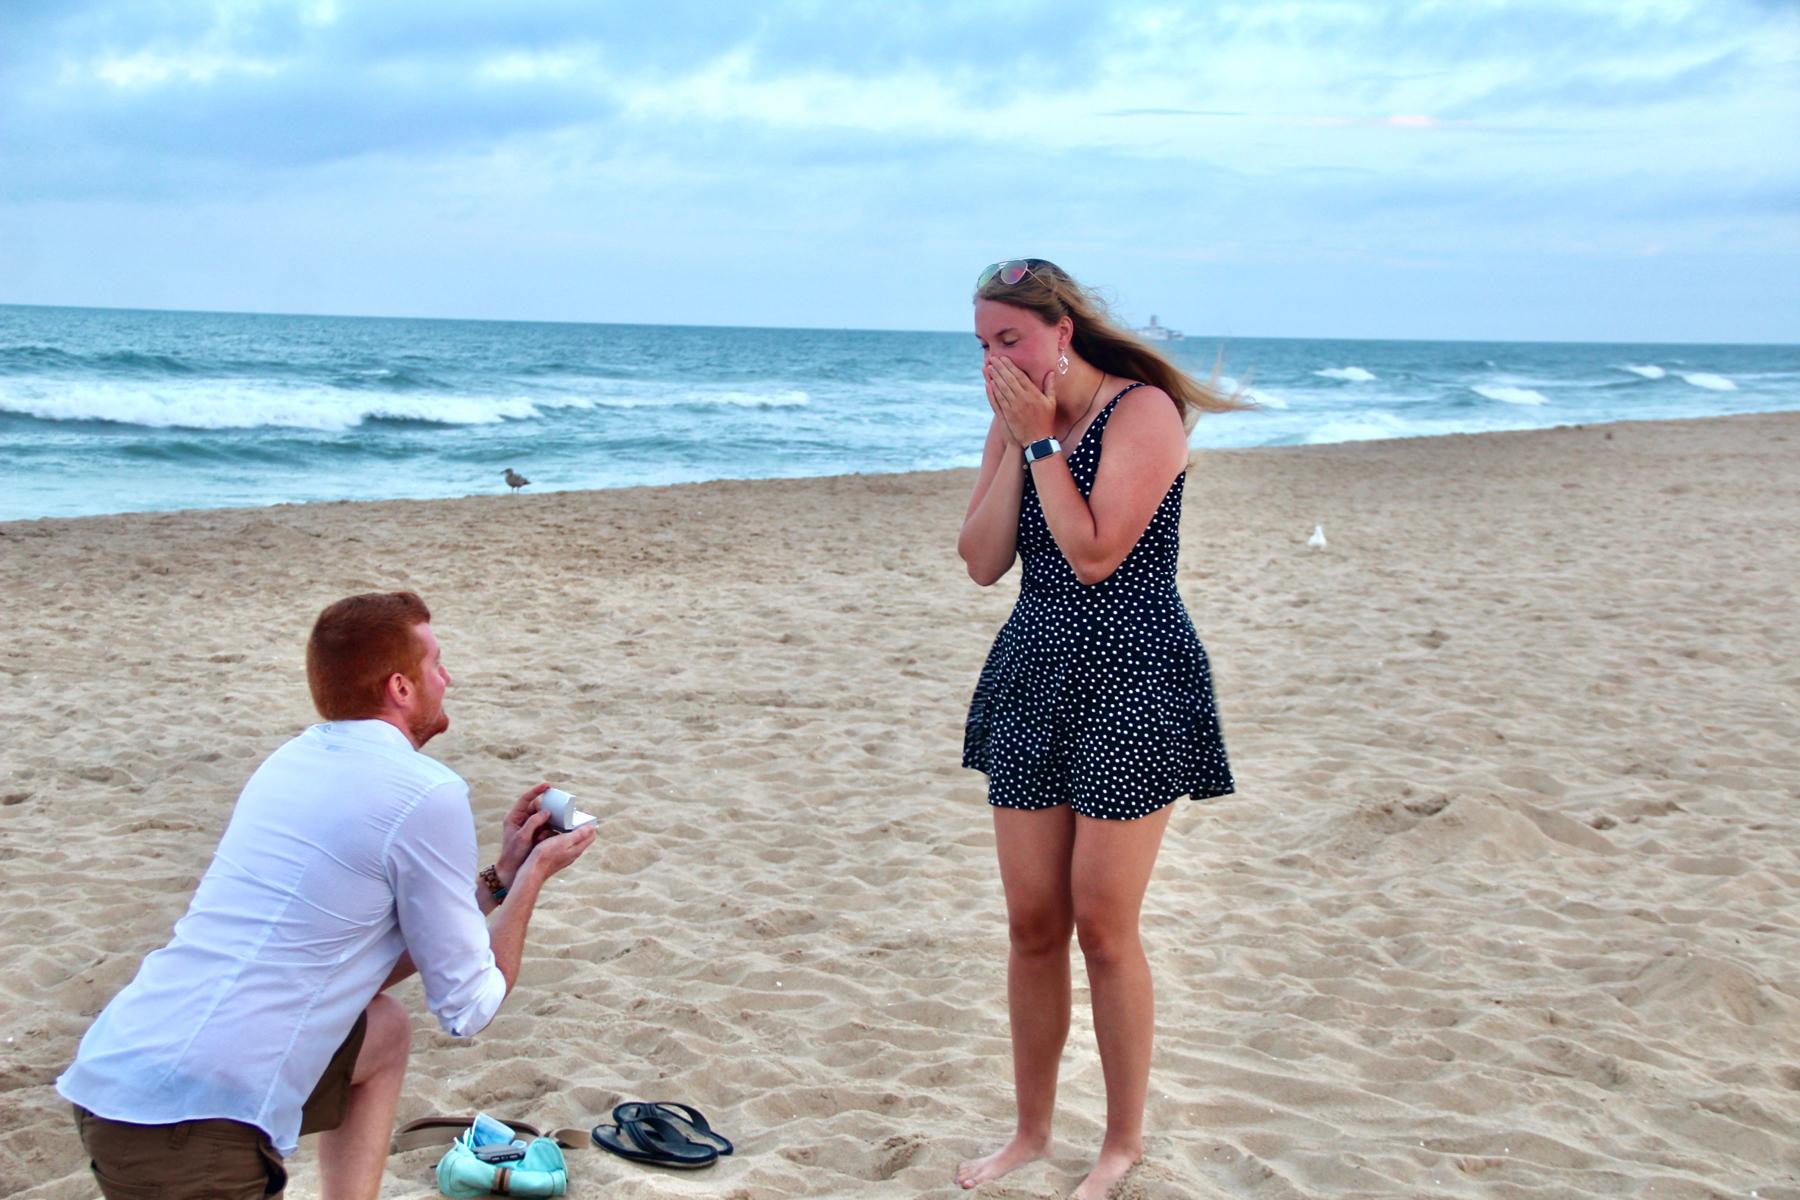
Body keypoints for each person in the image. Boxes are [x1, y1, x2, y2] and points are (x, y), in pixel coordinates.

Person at [56, 591, 595, 1200]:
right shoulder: (426, 791)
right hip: (192, 1126)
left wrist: (502, 875)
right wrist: (535, 880)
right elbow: (470, 1006)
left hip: (118, 1081)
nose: (448, 678)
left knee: (382, 1029)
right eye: (436, 663)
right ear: (400, 687)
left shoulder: (291, 760)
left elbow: (341, 969)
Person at [955, 259, 1241, 1198]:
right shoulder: (1017, 418)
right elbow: (983, 561)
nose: (997, 359)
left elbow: (1092, 552)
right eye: (984, 344)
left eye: (1012, 340)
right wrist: (1014, 433)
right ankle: (1031, 1130)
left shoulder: (1143, 413)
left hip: (1134, 676)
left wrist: (1039, 443)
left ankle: (1122, 1142)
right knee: (1033, 923)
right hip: (1035, 674)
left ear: (1062, 331)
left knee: (1104, 926)